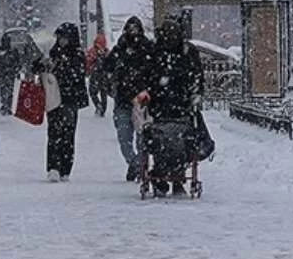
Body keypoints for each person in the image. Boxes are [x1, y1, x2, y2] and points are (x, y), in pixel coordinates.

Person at [144, 15, 204, 196]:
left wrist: (195, 94)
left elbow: (197, 76)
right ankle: (164, 174)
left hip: (179, 105)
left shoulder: (185, 52)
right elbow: (147, 75)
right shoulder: (156, 51)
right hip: (162, 105)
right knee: (166, 140)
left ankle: (172, 175)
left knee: (178, 141)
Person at [34, 22, 89, 181]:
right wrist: (41, 65)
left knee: (67, 134)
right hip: (54, 98)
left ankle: (65, 168)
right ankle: (53, 168)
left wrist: (58, 68)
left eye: (65, 38)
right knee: (54, 133)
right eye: (60, 37)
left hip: (69, 99)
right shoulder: (53, 53)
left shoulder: (77, 55)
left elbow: (76, 74)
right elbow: (41, 70)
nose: (62, 41)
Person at [104, 17, 154, 182]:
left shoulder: (147, 48)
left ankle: (138, 164)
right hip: (124, 99)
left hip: (142, 100)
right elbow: (108, 65)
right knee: (124, 137)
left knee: (142, 138)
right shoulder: (121, 48)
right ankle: (135, 164)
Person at [0, 33, 22, 115]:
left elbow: (18, 62)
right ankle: (5, 105)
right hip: (4, 74)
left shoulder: (12, 51)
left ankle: (7, 106)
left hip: (9, 74)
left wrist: (15, 69)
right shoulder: (1, 51)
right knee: (4, 90)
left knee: (9, 91)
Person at [85, 32, 110, 117]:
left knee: (92, 92)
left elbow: (87, 62)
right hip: (104, 76)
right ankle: (103, 109)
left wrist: (88, 70)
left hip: (95, 75)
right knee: (104, 93)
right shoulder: (107, 52)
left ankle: (98, 105)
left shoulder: (92, 51)